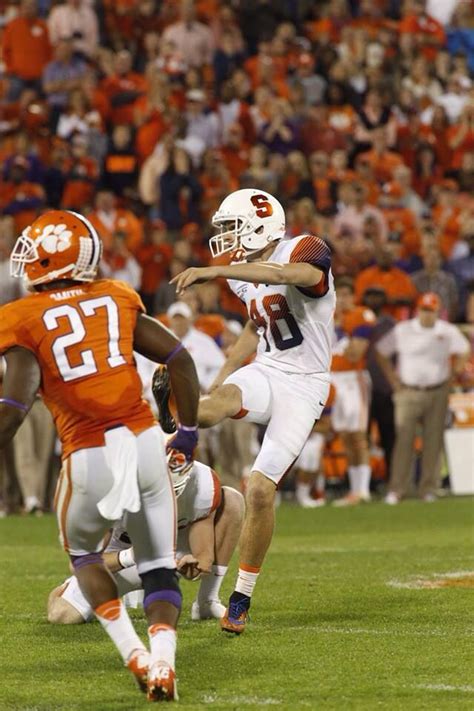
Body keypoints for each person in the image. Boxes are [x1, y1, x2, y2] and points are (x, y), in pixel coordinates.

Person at [0, 210, 200, 701]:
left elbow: (14, 406)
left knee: (84, 554)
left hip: (88, 452)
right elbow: (179, 359)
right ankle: (164, 663)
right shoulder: (116, 295)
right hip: (147, 442)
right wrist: (189, 432)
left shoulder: (21, 317)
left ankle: (134, 654)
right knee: (157, 564)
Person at [153, 188, 334, 633]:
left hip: (305, 384)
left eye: (232, 227)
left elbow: (286, 275)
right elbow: (258, 327)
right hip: (268, 368)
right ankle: (175, 415)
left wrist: (215, 270)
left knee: (258, 490)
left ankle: (241, 597)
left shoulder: (305, 247)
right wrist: (224, 373)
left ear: (261, 225)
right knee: (216, 405)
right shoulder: (241, 276)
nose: (227, 238)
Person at [47, 459, 245, 624]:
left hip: (172, 551)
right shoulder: (108, 489)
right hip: (125, 555)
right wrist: (131, 555)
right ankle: (70, 589)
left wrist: (192, 567)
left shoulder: (200, 483)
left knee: (233, 500)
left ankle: (207, 601)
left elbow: (204, 557)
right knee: (62, 614)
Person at [375, 292, 470, 504]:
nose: (428, 315)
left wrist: (454, 372)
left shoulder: (447, 331)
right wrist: (393, 380)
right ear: (419, 310)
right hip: (407, 391)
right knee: (403, 441)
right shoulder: (404, 330)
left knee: (433, 441)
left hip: (437, 391)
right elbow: (381, 351)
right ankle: (397, 489)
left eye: (432, 310)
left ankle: (428, 488)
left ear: (438, 311)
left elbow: (464, 349)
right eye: (425, 310)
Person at [331, 278, 376, 506]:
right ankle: (355, 490)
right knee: (346, 437)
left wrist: (340, 329)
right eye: (339, 295)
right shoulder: (325, 317)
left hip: (353, 379)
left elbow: (354, 354)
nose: (343, 300)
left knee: (358, 436)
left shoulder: (360, 315)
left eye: (347, 295)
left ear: (354, 297)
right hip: (332, 380)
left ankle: (364, 489)